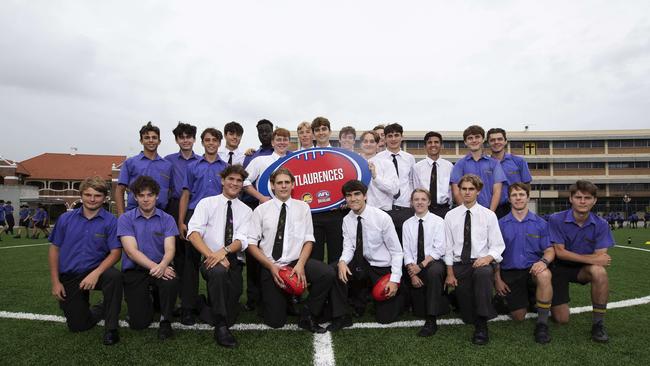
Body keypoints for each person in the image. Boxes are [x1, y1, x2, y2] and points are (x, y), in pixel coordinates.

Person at [246, 168, 335, 332]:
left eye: (287, 182)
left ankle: (308, 314)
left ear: (293, 185)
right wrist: (271, 266)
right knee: (275, 322)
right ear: (272, 186)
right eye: (279, 183)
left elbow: (309, 239)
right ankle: (280, 300)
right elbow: (251, 244)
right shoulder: (261, 210)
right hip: (271, 264)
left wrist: (300, 264)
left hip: (295, 262)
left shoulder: (303, 207)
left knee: (326, 273)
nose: (283, 186)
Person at [47, 177, 123, 345]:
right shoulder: (65, 219)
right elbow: (54, 249)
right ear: (81, 195)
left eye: (97, 195)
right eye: (88, 194)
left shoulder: (111, 221)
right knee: (78, 325)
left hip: (96, 270)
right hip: (70, 274)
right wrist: (55, 282)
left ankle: (111, 328)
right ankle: (101, 308)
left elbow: (116, 252)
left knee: (114, 277)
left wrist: (96, 273)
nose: (92, 199)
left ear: (105, 198)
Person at [187, 164, 252, 348]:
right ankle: (221, 328)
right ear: (222, 180)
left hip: (233, 260)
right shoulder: (206, 203)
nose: (234, 183)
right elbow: (193, 233)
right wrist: (212, 255)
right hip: (209, 259)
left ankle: (202, 305)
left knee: (232, 314)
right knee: (218, 273)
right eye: (231, 179)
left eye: (239, 180)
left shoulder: (246, 211)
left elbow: (242, 240)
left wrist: (224, 251)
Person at [329, 180, 404, 330]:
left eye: (357, 194)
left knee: (385, 318)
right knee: (333, 269)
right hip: (360, 263)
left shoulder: (381, 217)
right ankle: (342, 315)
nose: (353, 198)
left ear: (365, 196)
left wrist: (395, 280)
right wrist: (342, 261)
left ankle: (402, 293)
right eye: (349, 195)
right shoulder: (347, 219)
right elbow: (349, 247)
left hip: (381, 266)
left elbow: (396, 251)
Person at [548, 180, 614, 343]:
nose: (583, 201)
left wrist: (591, 260)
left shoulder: (601, 224)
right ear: (571, 199)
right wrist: (590, 258)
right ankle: (536, 296)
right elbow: (560, 253)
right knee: (561, 319)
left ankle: (598, 324)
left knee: (599, 272)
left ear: (594, 200)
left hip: (583, 270)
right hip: (558, 268)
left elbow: (601, 260)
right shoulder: (556, 219)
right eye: (578, 197)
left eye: (587, 197)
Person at [444, 174, 505, 345]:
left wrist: (487, 258)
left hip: (480, 263)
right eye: (464, 189)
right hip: (459, 265)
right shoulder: (450, 216)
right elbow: (447, 247)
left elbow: (498, 245)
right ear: (459, 191)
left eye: (471, 189)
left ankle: (482, 326)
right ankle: (472, 303)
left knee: (483, 274)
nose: (467, 192)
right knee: (468, 317)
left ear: (478, 191)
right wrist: (449, 273)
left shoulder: (488, 215)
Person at [118, 175, 179, 340]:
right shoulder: (125, 219)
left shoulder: (167, 219)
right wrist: (156, 267)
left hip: (161, 266)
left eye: (150, 195)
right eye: (141, 195)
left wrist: (164, 265)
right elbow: (131, 251)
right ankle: (146, 299)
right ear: (135, 197)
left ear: (157, 196)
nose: (146, 199)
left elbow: (170, 248)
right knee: (139, 323)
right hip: (136, 271)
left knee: (171, 278)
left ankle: (165, 321)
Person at [177, 127, 228, 325]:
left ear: (219, 143)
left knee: (215, 260)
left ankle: (216, 303)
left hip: (216, 219)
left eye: (215, 140)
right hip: (193, 217)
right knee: (190, 264)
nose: (211, 143)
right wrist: (182, 221)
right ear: (202, 142)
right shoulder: (192, 166)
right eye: (207, 140)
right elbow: (185, 195)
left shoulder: (225, 167)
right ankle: (188, 307)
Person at [495, 182, 554, 344]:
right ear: (509, 199)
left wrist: (543, 261)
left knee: (544, 274)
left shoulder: (541, 223)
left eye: (521, 194)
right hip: (511, 272)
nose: (518, 198)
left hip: (532, 270)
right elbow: (495, 254)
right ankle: (526, 298)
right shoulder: (500, 224)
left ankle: (542, 325)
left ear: (528, 197)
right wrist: (497, 279)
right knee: (518, 317)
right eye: (514, 195)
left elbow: (550, 250)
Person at [164, 122, 199, 316]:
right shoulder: (167, 161)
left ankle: (189, 301)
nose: (185, 140)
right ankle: (173, 298)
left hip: (194, 208)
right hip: (173, 207)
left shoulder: (201, 161)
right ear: (177, 140)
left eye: (189, 136)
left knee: (191, 258)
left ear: (194, 139)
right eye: (181, 137)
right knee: (174, 254)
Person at [402, 188, 449, 337]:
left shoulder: (438, 221)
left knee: (434, 271)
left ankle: (431, 320)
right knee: (418, 311)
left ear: (429, 202)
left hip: (433, 263)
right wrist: (413, 274)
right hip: (414, 266)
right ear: (411, 202)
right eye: (416, 199)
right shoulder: (407, 224)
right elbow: (407, 251)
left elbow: (439, 249)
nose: (420, 202)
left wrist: (420, 266)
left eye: (423, 199)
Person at [116, 121, 173, 216]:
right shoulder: (130, 163)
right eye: (147, 138)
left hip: (161, 215)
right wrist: (121, 215)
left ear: (159, 141)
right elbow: (120, 189)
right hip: (134, 214)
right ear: (141, 141)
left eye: (154, 138)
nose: (151, 140)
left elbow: (171, 191)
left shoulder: (168, 165)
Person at [309, 117, 346, 264]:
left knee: (336, 256)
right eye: (317, 130)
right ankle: (318, 286)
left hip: (336, 213)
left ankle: (336, 286)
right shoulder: (305, 156)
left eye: (324, 129)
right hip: (314, 214)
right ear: (313, 134)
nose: (321, 132)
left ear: (330, 131)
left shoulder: (340, 155)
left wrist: (344, 200)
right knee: (315, 256)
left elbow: (346, 180)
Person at [451, 125, 507, 212]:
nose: (474, 140)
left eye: (477, 137)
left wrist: (490, 214)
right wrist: (466, 212)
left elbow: (497, 191)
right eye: (470, 138)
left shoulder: (494, 163)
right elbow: (456, 191)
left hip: (490, 211)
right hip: (467, 212)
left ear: (483, 139)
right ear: (465, 142)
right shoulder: (459, 164)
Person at [376, 123, 415, 241]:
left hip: (404, 208)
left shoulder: (409, 158)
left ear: (402, 137)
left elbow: (412, 181)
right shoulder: (378, 158)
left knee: (405, 243)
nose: (393, 139)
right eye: (390, 136)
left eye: (396, 135)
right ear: (385, 138)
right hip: (384, 208)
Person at [487, 128, 532, 218]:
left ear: (505, 141)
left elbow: (527, 185)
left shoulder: (519, 161)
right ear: (488, 143)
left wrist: (522, 205)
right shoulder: (484, 164)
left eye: (499, 139)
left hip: (513, 207)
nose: (496, 142)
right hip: (491, 208)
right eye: (492, 140)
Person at [243, 128, 291, 204]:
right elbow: (244, 180)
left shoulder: (294, 161)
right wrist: (260, 197)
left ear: (289, 142)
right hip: (267, 208)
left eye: (285, 140)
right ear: (272, 143)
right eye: (278, 140)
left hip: (291, 209)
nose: (282, 142)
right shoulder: (260, 160)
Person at [411, 132, 454, 218]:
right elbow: (416, 189)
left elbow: (451, 189)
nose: (433, 145)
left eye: (436, 142)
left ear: (441, 145)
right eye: (430, 142)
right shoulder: (417, 167)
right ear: (425, 146)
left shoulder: (449, 166)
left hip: (444, 210)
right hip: (424, 210)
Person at [358, 131, 398, 211]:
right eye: (365, 141)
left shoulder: (387, 164)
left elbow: (394, 189)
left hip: (382, 211)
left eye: (372, 141)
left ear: (377, 145)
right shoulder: (354, 163)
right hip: (357, 211)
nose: (368, 144)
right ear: (361, 144)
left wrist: (375, 177)